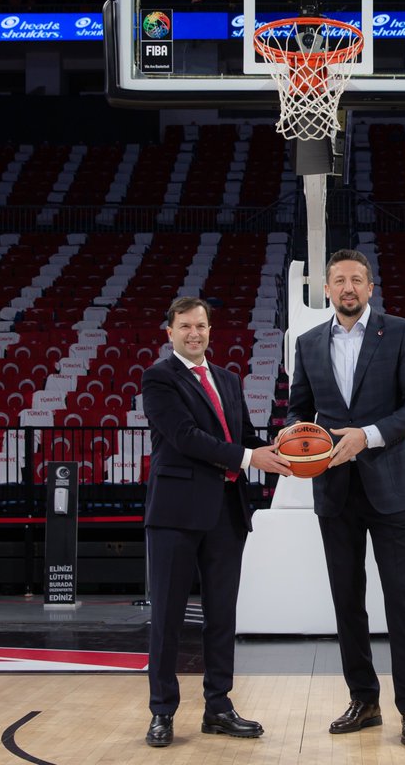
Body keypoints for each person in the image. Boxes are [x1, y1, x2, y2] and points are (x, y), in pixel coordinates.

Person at [282, 249, 405, 747]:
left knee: (401, 601)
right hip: (335, 489)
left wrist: (365, 435)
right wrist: (302, 442)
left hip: (390, 486)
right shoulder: (307, 343)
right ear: (326, 290)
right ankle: (364, 701)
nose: (348, 287)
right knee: (347, 602)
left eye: (357, 279)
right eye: (339, 280)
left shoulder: (402, 332)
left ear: (371, 288)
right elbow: (297, 411)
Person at [141, 296, 293, 748]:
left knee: (222, 617)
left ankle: (219, 707)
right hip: (175, 513)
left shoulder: (228, 379)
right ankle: (162, 712)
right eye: (185, 326)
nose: (194, 333)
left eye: (201, 325)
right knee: (167, 617)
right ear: (169, 332)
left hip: (226, 512)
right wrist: (250, 456)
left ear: (211, 330)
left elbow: (241, 437)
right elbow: (186, 438)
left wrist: (284, 449)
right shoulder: (158, 378)